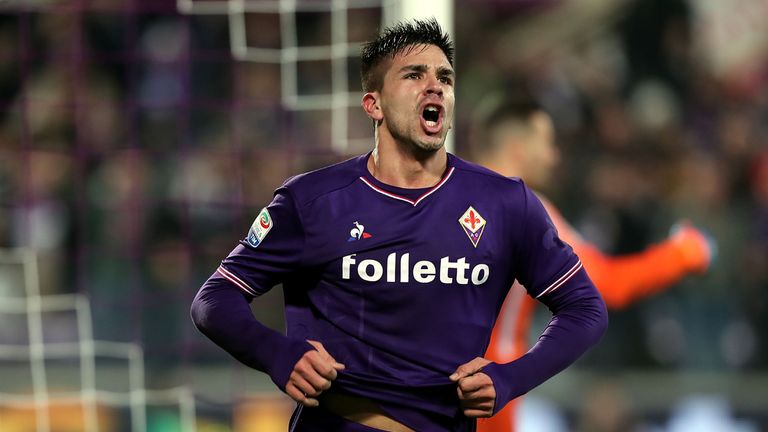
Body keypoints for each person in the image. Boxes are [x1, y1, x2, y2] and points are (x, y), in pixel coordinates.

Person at [191, 19, 608, 431]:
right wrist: (277, 354)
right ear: (374, 103)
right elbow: (214, 300)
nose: (435, 86)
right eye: (414, 75)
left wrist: (511, 378)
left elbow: (586, 308)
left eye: (444, 77)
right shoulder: (313, 201)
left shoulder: (505, 202)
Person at [469, 92, 714, 432]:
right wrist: (683, 253)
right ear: (518, 149)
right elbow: (608, 284)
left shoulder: (438, 198)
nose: (554, 156)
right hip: (487, 392)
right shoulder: (525, 209)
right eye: (548, 143)